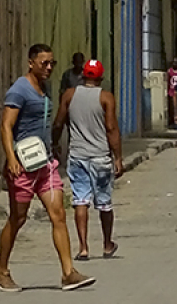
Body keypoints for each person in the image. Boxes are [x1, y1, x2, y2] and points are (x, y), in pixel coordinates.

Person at [0, 44, 93, 292]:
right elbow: (6, 126)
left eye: (52, 63)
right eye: (44, 63)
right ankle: (1, 270)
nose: (49, 68)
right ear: (31, 63)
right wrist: (11, 158)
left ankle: (68, 273)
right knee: (18, 218)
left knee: (58, 214)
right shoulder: (19, 90)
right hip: (23, 166)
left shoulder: (45, 88)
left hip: (45, 164)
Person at [53, 59, 122, 261]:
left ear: (83, 76)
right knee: (104, 202)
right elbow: (111, 128)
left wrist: (54, 143)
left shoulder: (69, 95)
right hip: (100, 156)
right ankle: (107, 244)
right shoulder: (106, 97)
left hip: (77, 155)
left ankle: (83, 247)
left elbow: (58, 122)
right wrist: (118, 157)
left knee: (80, 201)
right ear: (101, 78)